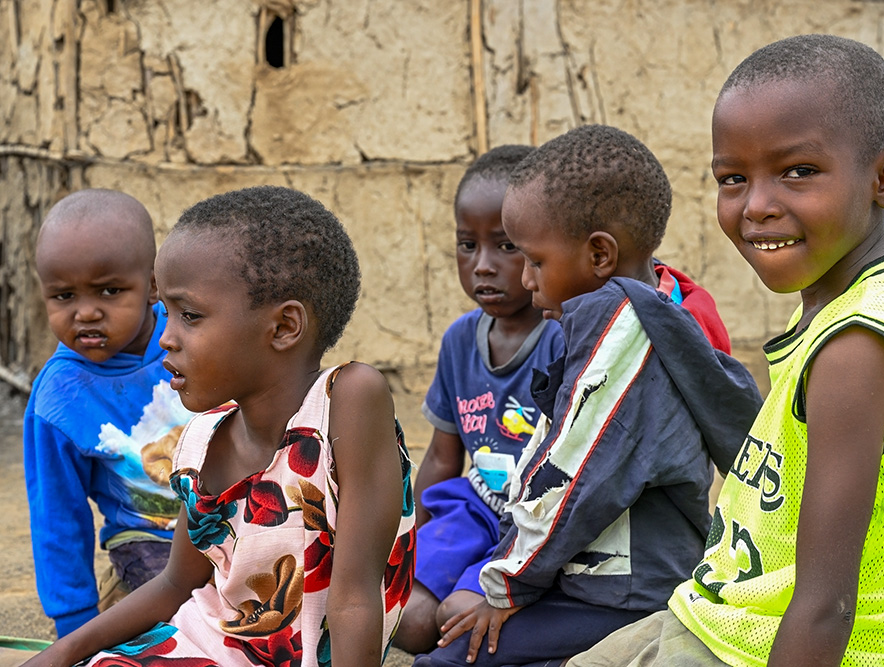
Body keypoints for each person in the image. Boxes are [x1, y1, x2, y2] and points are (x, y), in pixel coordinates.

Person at [569, 34, 884, 667]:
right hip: (724, 619)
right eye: (733, 179)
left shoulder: (859, 346)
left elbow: (825, 605)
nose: (756, 206)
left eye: (798, 171)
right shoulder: (836, 308)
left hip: (776, 647)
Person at [414, 124, 764, 667]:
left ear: (599, 255)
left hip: (623, 592)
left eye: (534, 261)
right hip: (599, 579)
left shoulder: (622, 332)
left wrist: (504, 587)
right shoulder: (650, 308)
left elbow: (568, 478)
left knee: (445, 661)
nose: (526, 280)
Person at [25, 185, 416, 667]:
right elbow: (176, 583)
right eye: (167, 315)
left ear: (284, 327)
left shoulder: (349, 401)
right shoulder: (200, 442)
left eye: (189, 316)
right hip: (208, 644)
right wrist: (63, 653)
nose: (165, 338)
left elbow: (354, 599)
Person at [395, 145, 566, 653]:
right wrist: (409, 538)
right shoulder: (459, 340)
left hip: (531, 523)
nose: (483, 266)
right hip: (473, 510)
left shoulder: (563, 338)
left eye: (507, 247)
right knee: (406, 617)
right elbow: (442, 456)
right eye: (467, 245)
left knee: (456, 617)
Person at [24, 189, 192, 637]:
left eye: (110, 291)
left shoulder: (191, 336)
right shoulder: (59, 400)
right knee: (179, 621)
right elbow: (57, 515)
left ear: (153, 285)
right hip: (150, 542)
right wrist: (75, 622)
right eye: (64, 296)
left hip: (231, 521)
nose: (86, 313)